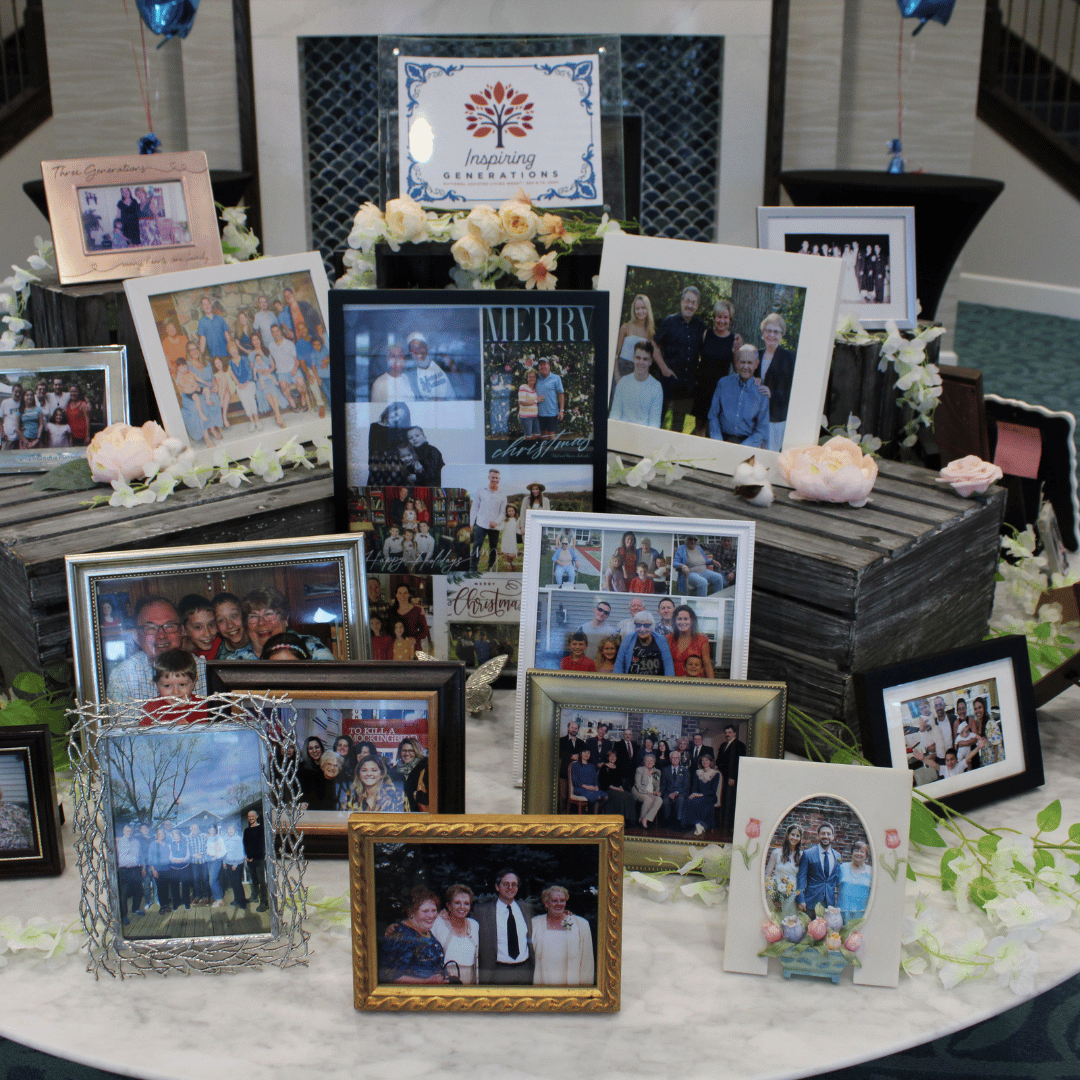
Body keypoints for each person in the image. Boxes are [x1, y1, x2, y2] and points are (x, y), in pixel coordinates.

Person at [106, 596, 208, 702]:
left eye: (169, 626)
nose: (161, 635)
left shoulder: (203, 671)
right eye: (150, 628)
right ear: (136, 636)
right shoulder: (122, 677)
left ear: (182, 631)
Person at [653, 286, 705, 433]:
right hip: (668, 382)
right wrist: (663, 368)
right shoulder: (669, 322)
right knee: (659, 421)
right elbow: (654, 345)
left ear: (697, 306)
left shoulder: (700, 326)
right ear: (682, 301)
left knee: (679, 427)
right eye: (687, 300)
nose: (690, 305)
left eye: (693, 302)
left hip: (687, 386)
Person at [233, 587, 334, 661]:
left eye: (268, 614)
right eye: (253, 616)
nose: (261, 622)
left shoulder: (312, 648)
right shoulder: (236, 661)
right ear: (246, 624)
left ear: (285, 619)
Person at [693, 299, 743, 435]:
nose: (722, 320)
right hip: (702, 388)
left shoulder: (734, 340)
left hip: (720, 392)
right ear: (714, 317)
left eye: (725, 317)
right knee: (700, 427)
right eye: (719, 317)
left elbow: (738, 369)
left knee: (715, 428)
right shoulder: (706, 334)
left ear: (730, 319)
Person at [379, 886, 447, 983]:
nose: (431, 916)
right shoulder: (402, 936)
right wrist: (425, 982)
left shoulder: (424, 930)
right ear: (411, 912)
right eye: (425, 911)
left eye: (434, 910)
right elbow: (388, 975)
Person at [476, 869, 534, 984]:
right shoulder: (482, 911)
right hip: (497, 971)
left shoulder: (527, 908)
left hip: (524, 970)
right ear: (497, 887)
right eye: (505, 884)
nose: (510, 887)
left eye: (514, 884)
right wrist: (446, 914)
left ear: (517, 888)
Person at [708, 344, 770, 447]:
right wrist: (718, 442)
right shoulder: (723, 383)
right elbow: (713, 416)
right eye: (742, 362)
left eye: (750, 363)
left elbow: (762, 431)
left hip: (747, 443)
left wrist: (742, 448)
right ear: (737, 363)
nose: (746, 367)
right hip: (721, 439)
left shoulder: (761, 392)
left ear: (757, 364)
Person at [531, 885, 594, 986]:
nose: (559, 904)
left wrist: (585, 989)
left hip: (571, 985)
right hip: (543, 983)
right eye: (554, 901)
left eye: (562, 900)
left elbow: (587, 960)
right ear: (546, 903)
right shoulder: (535, 923)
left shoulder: (580, 924)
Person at [757, 313, 797, 452]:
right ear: (763, 333)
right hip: (756, 416)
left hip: (776, 417)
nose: (771, 335)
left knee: (771, 454)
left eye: (776, 331)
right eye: (768, 330)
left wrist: (771, 394)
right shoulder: (757, 354)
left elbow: (793, 390)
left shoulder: (789, 358)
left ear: (782, 335)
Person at [432, 884, 480, 984]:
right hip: (445, 981)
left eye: (466, 903)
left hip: (470, 981)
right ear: (449, 905)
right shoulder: (437, 923)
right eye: (457, 903)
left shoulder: (474, 925)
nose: (462, 907)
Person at [609, 341, 663, 427]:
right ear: (633, 358)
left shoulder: (656, 387)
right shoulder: (623, 382)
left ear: (650, 362)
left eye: (645, 359)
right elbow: (615, 414)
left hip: (644, 436)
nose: (641, 362)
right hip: (622, 432)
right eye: (638, 358)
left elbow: (654, 423)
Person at [613, 293, 658, 382]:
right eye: (637, 308)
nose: (640, 311)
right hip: (622, 370)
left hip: (640, 372)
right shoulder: (626, 327)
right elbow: (615, 354)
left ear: (648, 309)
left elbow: (651, 357)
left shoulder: (650, 332)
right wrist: (617, 375)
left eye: (643, 308)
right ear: (634, 310)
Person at [614, 611, 675, 676]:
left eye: (646, 625)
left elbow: (668, 665)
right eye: (638, 625)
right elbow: (619, 664)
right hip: (632, 683)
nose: (642, 629)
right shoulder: (628, 639)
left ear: (652, 626)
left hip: (657, 683)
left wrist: (668, 684)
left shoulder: (661, 639)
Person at [797, 822, 841, 912]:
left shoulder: (837, 855)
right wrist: (800, 899)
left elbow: (835, 879)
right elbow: (801, 878)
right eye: (823, 833)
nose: (826, 836)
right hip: (811, 903)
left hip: (829, 905)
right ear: (818, 836)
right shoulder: (808, 854)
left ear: (832, 836)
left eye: (828, 834)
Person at [470, 468, 506, 572]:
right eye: (493, 477)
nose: (495, 479)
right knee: (477, 545)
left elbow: (502, 513)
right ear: (489, 477)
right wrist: (472, 522)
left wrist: (496, 522)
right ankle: (473, 568)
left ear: (499, 479)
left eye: (497, 478)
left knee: (493, 547)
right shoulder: (480, 490)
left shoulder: (503, 494)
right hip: (481, 524)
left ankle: (490, 567)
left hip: (495, 526)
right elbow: (474, 507)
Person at [764, 823, 803, 918]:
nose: (794, 838)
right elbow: (767, 875)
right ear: (787, 835)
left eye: (797, 836)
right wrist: (772, 894)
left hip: (792, 896)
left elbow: (802, 878)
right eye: (792, 834)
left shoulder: (801, 855)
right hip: (775, 892)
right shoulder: (776, 853)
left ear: (800, 838)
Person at [250, 331, 287, 428]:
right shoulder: (251, 354)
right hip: (261, 378)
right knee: (267, 392)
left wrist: (269, 371)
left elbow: (273, 366)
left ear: (260, 340)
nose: (256, 341)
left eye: (257, 339)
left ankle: (277, 415)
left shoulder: (266, 350)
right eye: (253, 340)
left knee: (273, 390)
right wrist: (262, 371)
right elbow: (253, 368)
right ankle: (278, 415)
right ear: (252, 342)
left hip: (269, 375)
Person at [666, 604, 714, 678]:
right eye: (679, 619)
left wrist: (712, 687)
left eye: (686, 619)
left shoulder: (702, 640)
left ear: (692, 621)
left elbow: (707, 666)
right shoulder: (668, 639)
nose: (682, 622)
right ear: (675, 621)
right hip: (673, 684)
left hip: (695, 685)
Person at [269, 323, 309, 412]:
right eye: (273, 332)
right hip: (281, 372)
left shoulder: (289, 344)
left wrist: (295, 369)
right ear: (271, 334)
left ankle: (303, 399)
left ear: (281, 331)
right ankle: (292, 403)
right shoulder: (270, 345)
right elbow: (272, 361)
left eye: (277, 331)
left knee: (301, 383)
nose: (276, 333)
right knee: (283, 386)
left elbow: (297, 360)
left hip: (293, 370)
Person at [717, 723, 746, 832]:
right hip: (724, 778)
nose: (727, 734)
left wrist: (732, 777)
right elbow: (720, 761)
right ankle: (724, 825)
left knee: (731, 801)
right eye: (726, 733)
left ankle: (731, 827)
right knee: (724, 800)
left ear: (735, 733)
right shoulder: (723, 745)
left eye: (730, 732)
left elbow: (738, 763)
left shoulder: (740, 745)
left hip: (732, 779)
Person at [408, 333, 455, 400]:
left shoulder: (441, 363)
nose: (417, 351)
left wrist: (452, 367)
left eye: (420, 346)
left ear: (426, 347)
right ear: (410, 352)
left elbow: (460, 384)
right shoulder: (411, 375)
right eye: (413, 348)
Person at [682, 753, 720, 835]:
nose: (705, 762)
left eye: (707, 760)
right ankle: (698, 824)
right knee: (689, 800)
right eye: (703, 761)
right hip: (698, 795)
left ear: (710, 762)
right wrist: (694, 793)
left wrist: (699, 795)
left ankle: (700, 824)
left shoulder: (715, 773)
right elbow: (694, 787)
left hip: (710, 796)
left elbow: (713, 790)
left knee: (697, 801)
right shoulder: (698, 772)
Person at [837, 840, 873, 924]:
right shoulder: (842, 868)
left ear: (866, 855)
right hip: (842, 914)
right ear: (851, 853)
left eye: (862, 852)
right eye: (856, 851)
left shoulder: (871, 871)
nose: (859, 854)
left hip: (862, 915)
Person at [115, 823, 144, 925]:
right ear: (123, 832)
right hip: (124, 870)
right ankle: (123, 916)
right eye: (127, 831)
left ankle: (135, 908)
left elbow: (140, 855)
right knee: (123, 894)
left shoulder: (137, 841)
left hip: (136, 869)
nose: (129, 833)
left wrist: (143, 867)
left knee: (139, 891)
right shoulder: (118, 842)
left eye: (131, 831)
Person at [390, 584, 430, 654]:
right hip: (397, 650)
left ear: (409, 595)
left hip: (414, 649)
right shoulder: (391, 611)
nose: (402, 596)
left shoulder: (417, 610)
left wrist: (415, 638)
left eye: (405, 593)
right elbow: (389, 631)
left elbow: (424, 632)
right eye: (399, 593)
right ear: (396, 595)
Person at [243, 808, 269, 912]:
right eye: (249, 817)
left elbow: (262, 845)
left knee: (262, 881)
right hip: (249, 860)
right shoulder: (246, 830)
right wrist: (246, 856)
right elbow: (245, 844)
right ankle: (254, 896)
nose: (251, 818)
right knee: (254, 880)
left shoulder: (261, 828)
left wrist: (256, 856)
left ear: (257, 816)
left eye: (252, 816)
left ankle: (264, 902)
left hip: (259, 859)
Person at [178, 595, 220, 660]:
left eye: (211, 624)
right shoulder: (178, 655)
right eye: (198, 627)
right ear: (183, 630)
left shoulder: (220, 646)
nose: (208, 634)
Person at [212, 591, 250, 660]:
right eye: (221, 620)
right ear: (216, 627)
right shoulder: (216, 654)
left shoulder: (258, 640)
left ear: (244, 615)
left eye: (234, 616)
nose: (230, 625)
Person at [533, 357, 565, 437]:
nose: (543, 366)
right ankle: (544, 449)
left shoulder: (556, 378)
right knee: (543, 434)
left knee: (551, 435)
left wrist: (561, 410)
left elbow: (561, 394)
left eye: (544, 364)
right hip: (539, 413)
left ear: (549, 366)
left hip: (552, 413)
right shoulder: (536, 379)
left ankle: (552, 449)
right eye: (541, 365)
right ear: (538, 368)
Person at [196, 295, 232, 364]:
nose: (207, 306)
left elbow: (227, 335)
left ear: (211, 304)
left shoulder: (220, 319)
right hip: (214, 356)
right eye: (204, 305)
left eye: (208, 304)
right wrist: (199, 355)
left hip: (226, 353)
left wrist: (231, 350)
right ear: (202, 307)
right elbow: (202, 340)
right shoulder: (201, 322)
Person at [660, 748, 691, 827]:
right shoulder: (665, 770)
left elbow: (686, 785)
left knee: (680, 799)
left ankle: (679, 822)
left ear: (680, 759)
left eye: (676, 757)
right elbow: (663, 784)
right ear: (670, 759)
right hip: (669, 792)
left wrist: (676, 793)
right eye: (673, 758)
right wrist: (661, 792)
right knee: (665, 800)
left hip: (681, 792)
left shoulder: (685, 770)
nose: (675, 759)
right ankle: (667, 821)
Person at [632, 752, 663, 829]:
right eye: (647, 761)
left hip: (651, 793)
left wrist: (656, 792)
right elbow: (637, 785)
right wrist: (648, 793)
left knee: (659, 800)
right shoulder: (640, 770)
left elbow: (657, 786)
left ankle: (646, 819)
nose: (649, 763)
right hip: (638, 791)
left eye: (651, 761)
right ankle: (641, 819)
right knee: (648, 799)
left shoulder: (657, 772)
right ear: (644, 762)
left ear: (654, 763)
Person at [222, 822, 247, 909]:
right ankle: (237, 899)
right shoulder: (225, 838)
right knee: (233, 883)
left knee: (237, 883)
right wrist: (224, 862)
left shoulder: (238, 838)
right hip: (228, 864)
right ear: (227, 830)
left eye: (232, 829)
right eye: (229, 829)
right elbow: (224, 852)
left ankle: (242, 902)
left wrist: (235, 864)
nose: (230, 831)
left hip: (237, 864)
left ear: (235, 830)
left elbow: (240, 852)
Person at [146, 827, 171, 913]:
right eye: (159, 834)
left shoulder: (167, 844)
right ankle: (162, 906)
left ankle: (166, 905)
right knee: (160, 888)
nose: (161, 835)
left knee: (166, 888)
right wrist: (153, 870)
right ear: (157, 835)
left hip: (167, 869)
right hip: (157, 869)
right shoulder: (153, 844)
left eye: (163, 834)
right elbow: (150, 859)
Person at [167, 826, 192, 911]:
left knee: (185, 886)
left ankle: (187, 903)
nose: (176, 837)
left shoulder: (185, 844)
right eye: (175, 836)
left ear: (180, 836)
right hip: (174, 868)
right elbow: (170, 857)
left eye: (178, 836)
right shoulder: (170, 845)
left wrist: (181, 860)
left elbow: (188, 856)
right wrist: (178, 860)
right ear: (172, 837)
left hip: (184, 867)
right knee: (175, 886)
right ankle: (176, 903)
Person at [187, 822, 210, 907]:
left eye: (196, 828)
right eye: (193, 828)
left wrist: (201, 853)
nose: (195, 830)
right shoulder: (188, 838)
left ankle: (207, 896)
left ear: (198, 829)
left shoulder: (203, 836)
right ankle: (198, 896)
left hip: (203, 861)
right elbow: (187, 849)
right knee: (196, 880)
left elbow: (206, 846)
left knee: (205, 879)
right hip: (194, 862)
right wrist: (194, 855)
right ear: (191, 829)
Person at [205, 824, 226, 908]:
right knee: (215, 880)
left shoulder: (219, 838)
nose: (212, 831)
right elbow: (208, 849)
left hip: (216, 861)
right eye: (210, 830)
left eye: (213, 830)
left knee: (212, 881)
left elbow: (223, 851)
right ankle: (219, 899)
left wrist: (215, 857)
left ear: (216, 830)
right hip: (209, 861)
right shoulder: (209, 838)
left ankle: (219, 899)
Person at [517, 368, 541, 437]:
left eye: (533, 377)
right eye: (530, 377)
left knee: (537, 435)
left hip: (535, 417)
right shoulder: (523, 387)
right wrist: (536, 401)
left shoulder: (536, 389)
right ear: (527, 378)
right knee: (528, 437)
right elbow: (522, 402)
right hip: (526, 418)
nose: (532, 378)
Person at [499, 504, 521, 571]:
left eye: (512, 511)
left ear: (515, 511)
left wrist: (522, 532)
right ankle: (508, 565)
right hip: (506, 538)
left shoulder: (517, 519)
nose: (511, 512)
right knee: (506, 552)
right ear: (507, 512)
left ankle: (511, 563)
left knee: (512, 553)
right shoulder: (505, 519)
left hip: (513, 539)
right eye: (509, 511)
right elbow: (501, 527)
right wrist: (494, 527)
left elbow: (517, 530)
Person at [1, 384, 23, 449]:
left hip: (19, 438)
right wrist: (2, 433)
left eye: (20, 392)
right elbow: (0, 419)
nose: (18, 394)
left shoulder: (22, 403)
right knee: (6, 457)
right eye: (16, 392)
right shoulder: (5, 402)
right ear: (12, 391)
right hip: (7, 437)